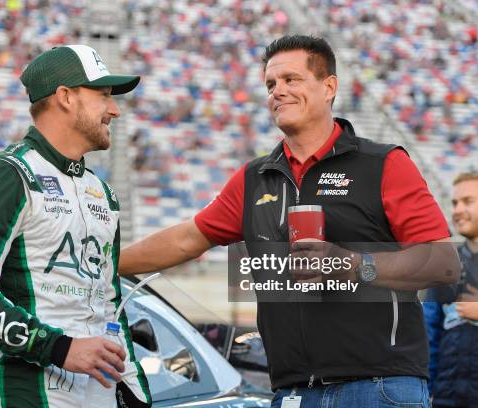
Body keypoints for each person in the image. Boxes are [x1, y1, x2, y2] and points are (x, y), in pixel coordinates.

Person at [119, 35, 459, 407]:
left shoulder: (384, 164)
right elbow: (187, 239)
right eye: (271, 84)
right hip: (292, 391)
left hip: (378, 388)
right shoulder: (254, 177)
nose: (278, 91)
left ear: (329, 87)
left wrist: (355, 266)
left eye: (291, 80)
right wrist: (104, 264)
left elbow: (442, 263)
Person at [0, 45, 151, 407]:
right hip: (25, 390)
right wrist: (59, 349)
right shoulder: (6, 174)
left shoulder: (103, 193)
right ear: (65, 97)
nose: (114, 110)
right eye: (103, 96)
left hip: (99, 391)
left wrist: (135, 390)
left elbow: (109, 300)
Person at [424, 172, 478, 408]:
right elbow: (429, 334)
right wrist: (426, 389)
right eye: (455, 203)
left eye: (468, 201)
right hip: (446, 396)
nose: (457, 210)